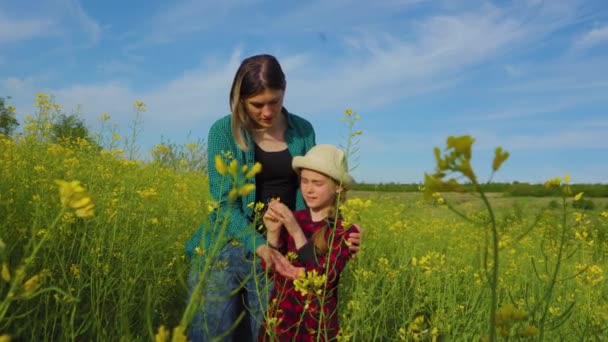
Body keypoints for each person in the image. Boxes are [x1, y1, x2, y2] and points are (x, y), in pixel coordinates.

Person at [184, 54, 362, 341]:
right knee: (212, 332)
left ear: (285, 91)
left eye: (275, 102)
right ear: (239, 98)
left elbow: (316, 194)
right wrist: (259, 246)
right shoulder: (222, 132)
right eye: (257, 104)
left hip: (282, 249)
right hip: (225, 245)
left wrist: (338, 233)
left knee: (269, 333)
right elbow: (224, 206)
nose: (267, 112)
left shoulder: (302, 130)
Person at [259, 144, 359, 341]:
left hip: (315, 323)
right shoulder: (296, 216)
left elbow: (324, 278)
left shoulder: (345, 230)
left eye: (317, 183)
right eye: (304, 181)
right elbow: (270, 273)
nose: (309, 190)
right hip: (280, 317)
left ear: (338, 186)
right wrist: (272, 233)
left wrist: (295, 230)